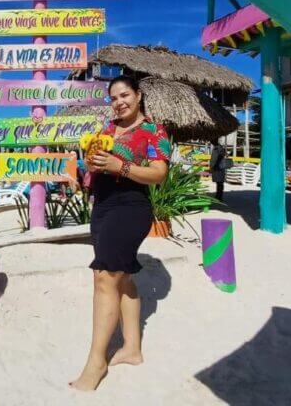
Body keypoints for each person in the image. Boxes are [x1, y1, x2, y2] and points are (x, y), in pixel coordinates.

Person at [70, 75, 170, 391]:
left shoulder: (154, 131)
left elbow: (158, 174)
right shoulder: (108, 130)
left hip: (131, 206)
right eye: (113, 98)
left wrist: (120, 167)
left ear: (138, 96)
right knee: (123, 277)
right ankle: (132, 349)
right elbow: (95, 166)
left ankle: (96, 361)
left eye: (124, 95)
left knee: (104, 276)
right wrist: (88, 166)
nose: (119, 102)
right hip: (103, 206)